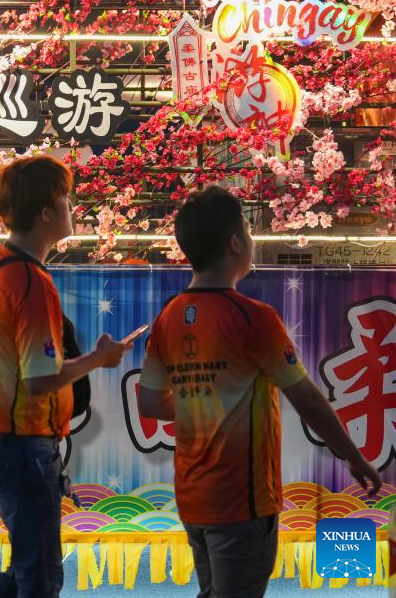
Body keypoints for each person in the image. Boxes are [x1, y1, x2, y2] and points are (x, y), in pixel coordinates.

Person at [138, 185, 382, 597]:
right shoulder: (254, 319)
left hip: (193, 496)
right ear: (235, 243)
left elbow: (149, 402)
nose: (251, 241)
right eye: (248, 234)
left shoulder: (168, 319)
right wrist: (354, 456)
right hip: (242, 500)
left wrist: (203, 406)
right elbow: (306, 399)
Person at [0, 155, 130, 598]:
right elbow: (40, 380)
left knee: (25, 570)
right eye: (65, 199)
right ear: (45, 212)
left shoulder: (2, 268)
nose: (71, 207)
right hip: (21, 443)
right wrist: (100, 358)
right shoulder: (29, 280)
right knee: (39, 577)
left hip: (5, 440)